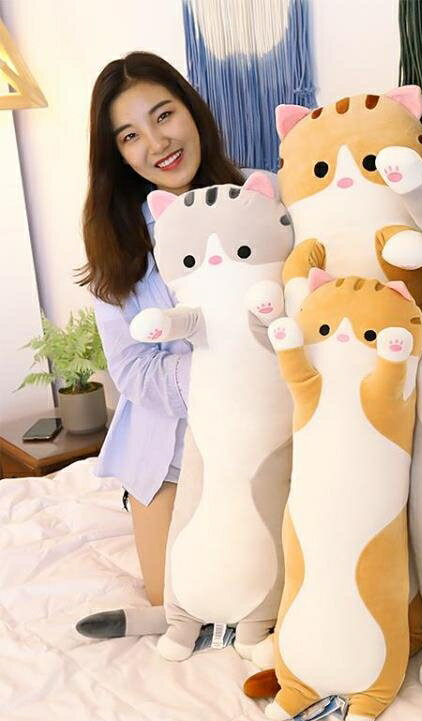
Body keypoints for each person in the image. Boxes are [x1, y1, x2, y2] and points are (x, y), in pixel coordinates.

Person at [78, 51, 245, 607]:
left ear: (191, 110)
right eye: (130, 136)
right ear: (118, 154)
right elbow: (132, 370)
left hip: (266, 429)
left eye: (164, 115)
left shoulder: (262, 198)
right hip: (169, 444)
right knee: (174, 600)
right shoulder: (116, 240)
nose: (157, 144)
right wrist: (230, 372)